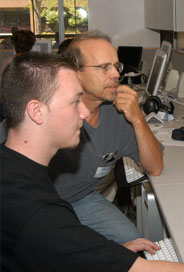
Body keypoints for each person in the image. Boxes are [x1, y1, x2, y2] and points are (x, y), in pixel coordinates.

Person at [0, 51, 184, 272]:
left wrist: (100, 252)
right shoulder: (38, 214)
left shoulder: (14, 168)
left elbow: (49, 247)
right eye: (74, 102)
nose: (83, 113)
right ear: (37, 112)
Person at [49, 31, 164, 244]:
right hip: (40, 201)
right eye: (104, 67)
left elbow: (155, 166)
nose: (115, 75)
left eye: (116, 66)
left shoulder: (117, 114)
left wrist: (138, 118)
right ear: (75, 72)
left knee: (132, 239)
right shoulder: (47, 111)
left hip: (80, 198)